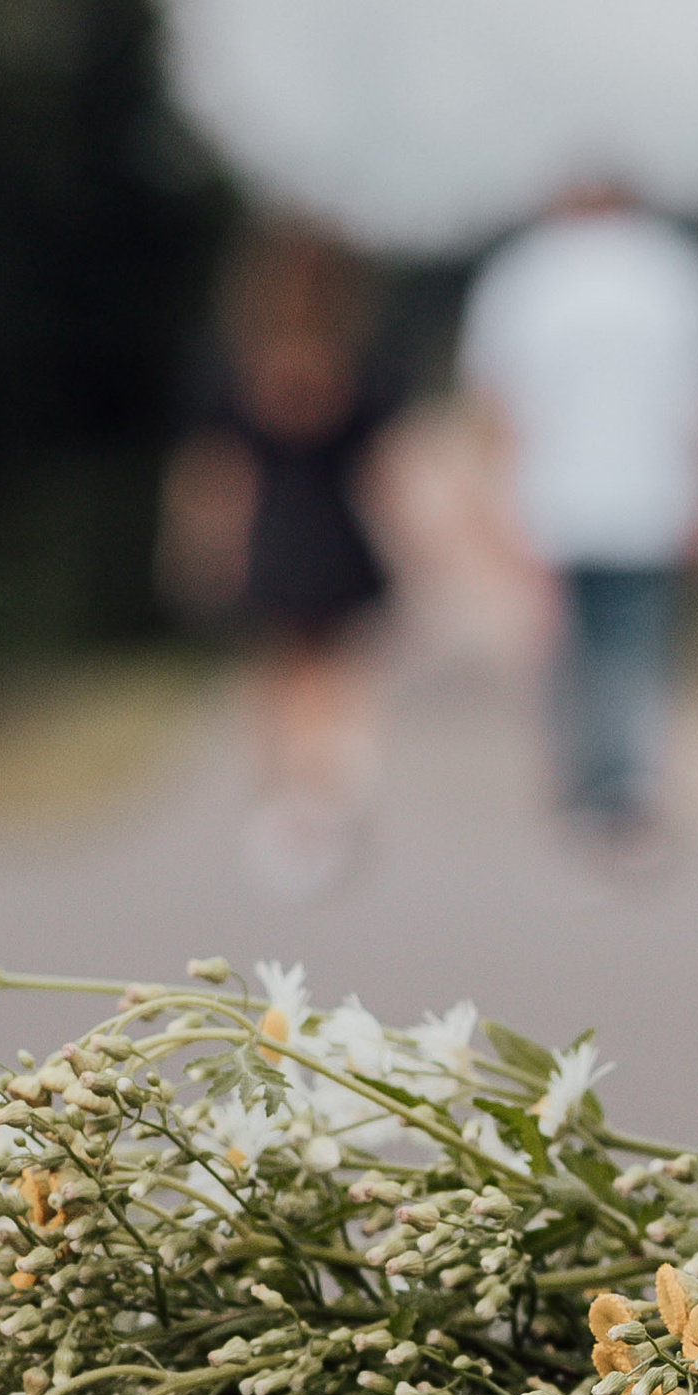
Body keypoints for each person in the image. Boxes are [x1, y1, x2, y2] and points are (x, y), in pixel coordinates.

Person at [460, 178, 698, 853]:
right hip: (655, 492)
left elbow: (495, 394)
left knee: (563, 647)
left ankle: (581, 784)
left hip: (551, 496)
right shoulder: (679, 269)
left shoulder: (525, 270)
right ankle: (630, 786)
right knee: (638, 648)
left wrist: (494, 492)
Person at [159, 221, 405, 896]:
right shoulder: (363, 367)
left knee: (275, 676)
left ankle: (285, 812)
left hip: (274, 535)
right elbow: (382, 472)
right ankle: (324, 797)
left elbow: (219, 473)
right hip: (337, 533)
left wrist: (201, 544)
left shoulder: (233, 366)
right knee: (332, 673)